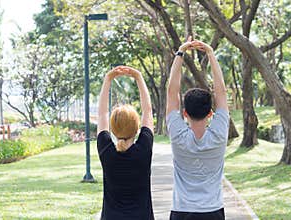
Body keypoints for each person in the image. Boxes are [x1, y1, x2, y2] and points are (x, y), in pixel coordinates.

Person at [166, 38, 229, 220]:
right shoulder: (218, 134)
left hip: (181, 211)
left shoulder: (178, 135)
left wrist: (180, 53)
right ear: (210, 113)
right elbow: (222, 93)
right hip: (213, 211)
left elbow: (171, 93)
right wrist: (210, 53)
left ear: (184, 113)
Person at [96, 66, 154, 220]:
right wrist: (139, 77)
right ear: (137, 129)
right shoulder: (144, 149)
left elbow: (102, 114)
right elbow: (147, 111)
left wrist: (108, 79)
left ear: (113, 130)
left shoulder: (106, 151)